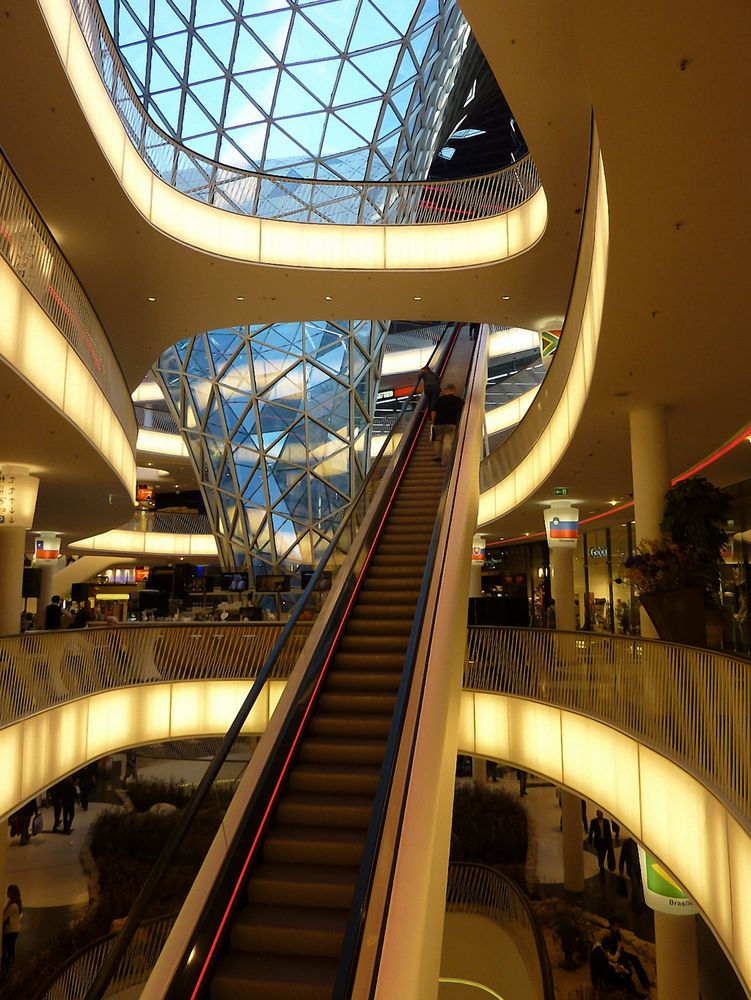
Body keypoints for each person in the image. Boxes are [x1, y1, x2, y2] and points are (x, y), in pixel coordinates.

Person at [600, 918, 652, 993]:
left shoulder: (617, 933)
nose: (618, 928)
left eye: (618, 926)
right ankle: (632, 991)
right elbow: (609, 951)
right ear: (611, 926)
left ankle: (645, 983)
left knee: (635, 959)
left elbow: (621, 946)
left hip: (621, 953)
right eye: (616, 926)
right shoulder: (608, 935)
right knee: (626, 967)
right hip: (615, 955)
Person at [430, 383, 464, 466]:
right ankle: (445, 461)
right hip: (451, 424)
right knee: (447, 442)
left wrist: (432, 422)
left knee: (437, 440)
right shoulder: (459, 401)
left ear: (447, 390)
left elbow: (434, 411)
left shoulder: (440, 399)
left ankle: (438, 455)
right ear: (454, 390)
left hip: (438, 423)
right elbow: (462, 413)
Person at [1, 884, 22, 972]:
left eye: (8, 891)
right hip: (15, 930)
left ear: (12, 893)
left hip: (10, 930)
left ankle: (7, 968)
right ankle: (9, 967)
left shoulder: (13, 905)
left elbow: (4, 917)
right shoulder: (16, 904)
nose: (7, 893)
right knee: (10, 948)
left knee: (6, 949)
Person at [589, 808, 615, 873]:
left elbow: (609, 832)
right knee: (600, 855)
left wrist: (610, 842)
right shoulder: (593, 822)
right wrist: (590, 841)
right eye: (598, 814)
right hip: (598, 842)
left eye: (600, 814)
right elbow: (591, 832)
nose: (599, 815)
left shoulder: (606, 822)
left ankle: (601, 864)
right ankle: (601, 866)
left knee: (603, 855)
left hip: (605, 842)